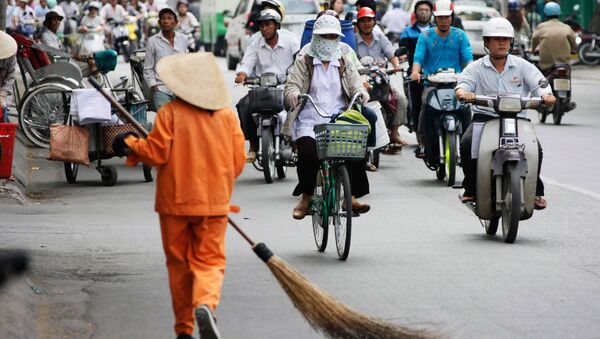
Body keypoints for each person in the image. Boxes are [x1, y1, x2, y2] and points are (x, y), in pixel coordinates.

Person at [112, 52, 245, 339]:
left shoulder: (170, 114)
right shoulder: (227, 117)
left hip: (175, 203)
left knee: (179, 266)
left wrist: (131, 142)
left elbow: (156, 153)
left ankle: (184, 329)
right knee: (209, 261)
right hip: (214, 204)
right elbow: (236, 164)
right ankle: (206, 304)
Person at [455, 17, 554, 210]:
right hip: (485, 118)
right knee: (467, 144)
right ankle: (471, 189)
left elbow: (540, 84)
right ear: (486, 42)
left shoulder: (523, 65)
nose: (501, 43)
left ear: (511, 42)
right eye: (496, 39)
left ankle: (535, 191)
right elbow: (462, 85)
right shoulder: (476, 67)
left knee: (536, 149)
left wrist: (546, 95)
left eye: (505, 39)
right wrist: (463, 93)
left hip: (517, 118)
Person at [283, 14, 371, 219]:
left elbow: (355, 82)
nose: (329, 40)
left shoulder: (342, 58)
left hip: (338, 118)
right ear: (316, 36)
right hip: (310, 119)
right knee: (308, 154)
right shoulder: (304, 59)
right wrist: (293, 94)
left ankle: (352, 197)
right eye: (325, 36)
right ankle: (306, 196)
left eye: (333, 36)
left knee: (354, 150)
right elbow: (292, 85)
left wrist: (361, 92)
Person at [234, 9, 299, 163]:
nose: (265, 29)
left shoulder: (291, 42)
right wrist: (242, 74)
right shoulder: (255, 45)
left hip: (285, 88)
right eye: (261, 26)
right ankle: (253, 146)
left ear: (277, 26)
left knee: (297, 106)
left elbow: (300, 61)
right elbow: (246, 63)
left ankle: (296, 142)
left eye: (268, 25)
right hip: (261, 90)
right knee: (243, 105)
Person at [411, 0, 472, 158]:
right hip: (432, 85)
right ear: (434, 18)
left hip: (456, 85)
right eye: (440, 17)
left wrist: (471, 73)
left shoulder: (460, 35)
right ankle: (423, 143)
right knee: (426, 104)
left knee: (465, 108)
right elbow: (418, 58)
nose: (443, 20)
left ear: (452, 17)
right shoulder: (425, 36)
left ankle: (469, 143)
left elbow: (468, 58)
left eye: (446, 17)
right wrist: (416, 72)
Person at [356, 6, 409, 149]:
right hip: (361, 82)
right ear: (358, 24)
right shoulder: (353, 41)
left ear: (374, 22)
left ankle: (394, 132)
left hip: (381, 82)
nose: (366, 23)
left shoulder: (380, 38)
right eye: (363, 21)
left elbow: (392, 55)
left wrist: (396, 65)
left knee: (401, 100)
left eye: (369, 20)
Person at [399, 0, 434, 134]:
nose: (424, 13)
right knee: (417, 106)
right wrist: (402, 56)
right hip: (415, 75)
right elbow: (402, 49)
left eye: (426, 10)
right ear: (415, 13)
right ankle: (421, 138)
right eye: (421, 10)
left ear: (431, 13)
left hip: (435, 74)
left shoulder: (437, 31)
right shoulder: (408, 31)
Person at [144, 7, 188, 110]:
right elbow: (148, 69)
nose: (166, 21)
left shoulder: (183, 39)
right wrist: (155, 88)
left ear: (175, 22)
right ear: (159, 22)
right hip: (162, 89)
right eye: (163, 18)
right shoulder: (152, 41)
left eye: (169, 18)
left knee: (183, 120)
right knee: (166, 121)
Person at [531, 2, 577, 73]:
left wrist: (533, 49)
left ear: (545, 14)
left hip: (546, 65)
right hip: (564, 64)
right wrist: (573, 49)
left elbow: (534, 39)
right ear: (559, 14)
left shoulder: (541, 27)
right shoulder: (566, 27)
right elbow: (573, 41)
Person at [0, 31, 18, 123]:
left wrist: (2, 95)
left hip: (4, 89)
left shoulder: (11, 57)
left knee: (3, 107)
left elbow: (10, 77)